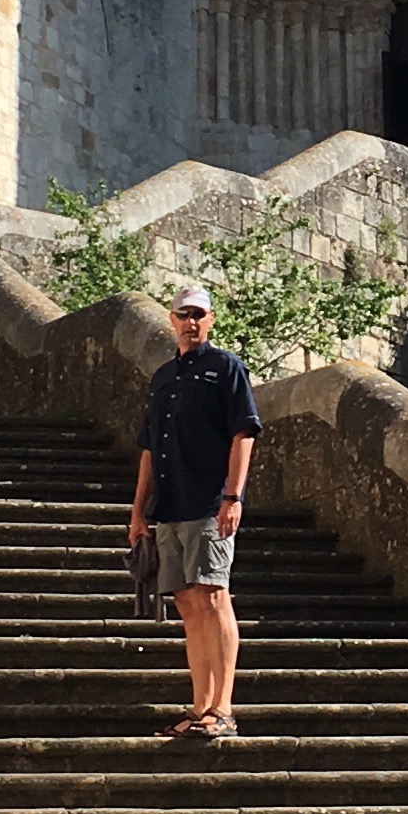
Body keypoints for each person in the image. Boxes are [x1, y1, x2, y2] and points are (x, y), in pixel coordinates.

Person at [128, 283, 259, 742]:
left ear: (211, 320)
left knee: (213, 597)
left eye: (199, 314)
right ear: (172, 320)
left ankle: (223, 709)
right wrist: (138, 511)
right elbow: (148, 448)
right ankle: (201, 707)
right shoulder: (163, 377)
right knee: (187, 604)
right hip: (169, 505)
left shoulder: (226, 368)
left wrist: (233, 497)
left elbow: (244, 433)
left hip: (209, 503)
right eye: (184, 314)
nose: (191, 322)